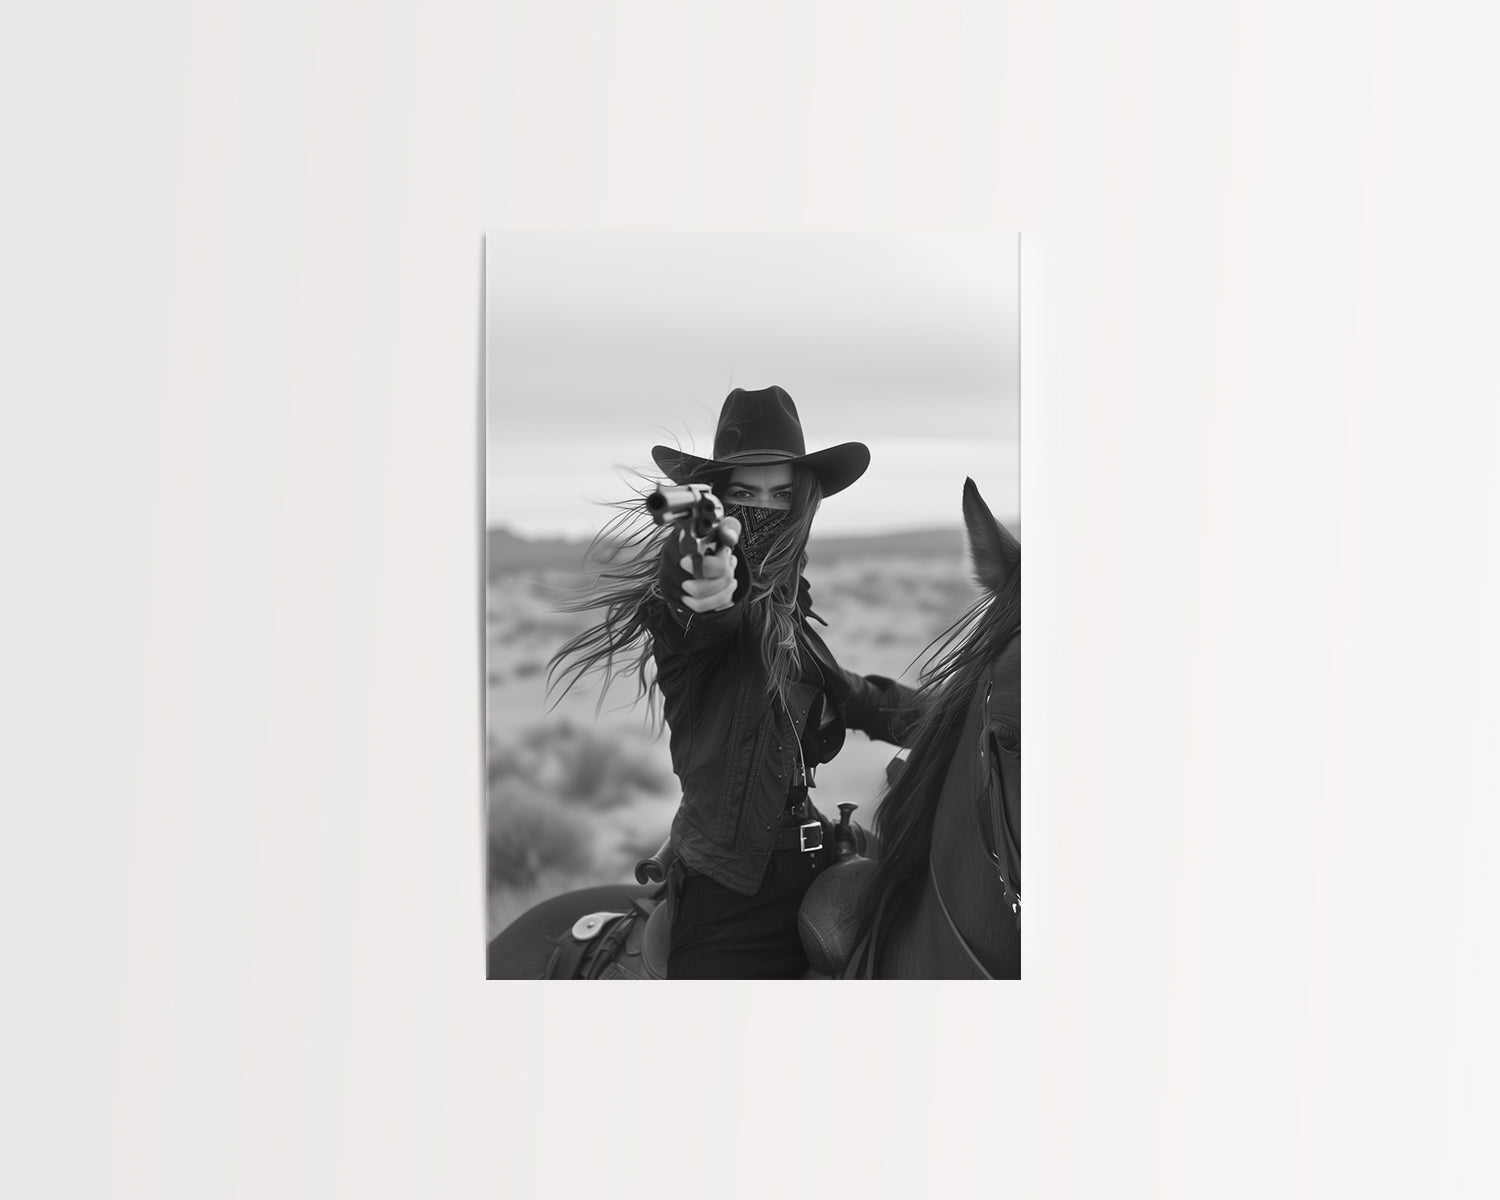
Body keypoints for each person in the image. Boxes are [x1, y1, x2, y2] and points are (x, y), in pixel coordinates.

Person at [547, 385, 922, 978]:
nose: (764, 509)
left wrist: (955, 717)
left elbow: (854, 696)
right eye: (744, 493)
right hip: (729, 903)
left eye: (780, 495)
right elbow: (707, 598)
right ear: (719, 502)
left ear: (803, 504)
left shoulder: (790, 617)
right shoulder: (693, 615)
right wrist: (707, 569)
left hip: (817, 862)